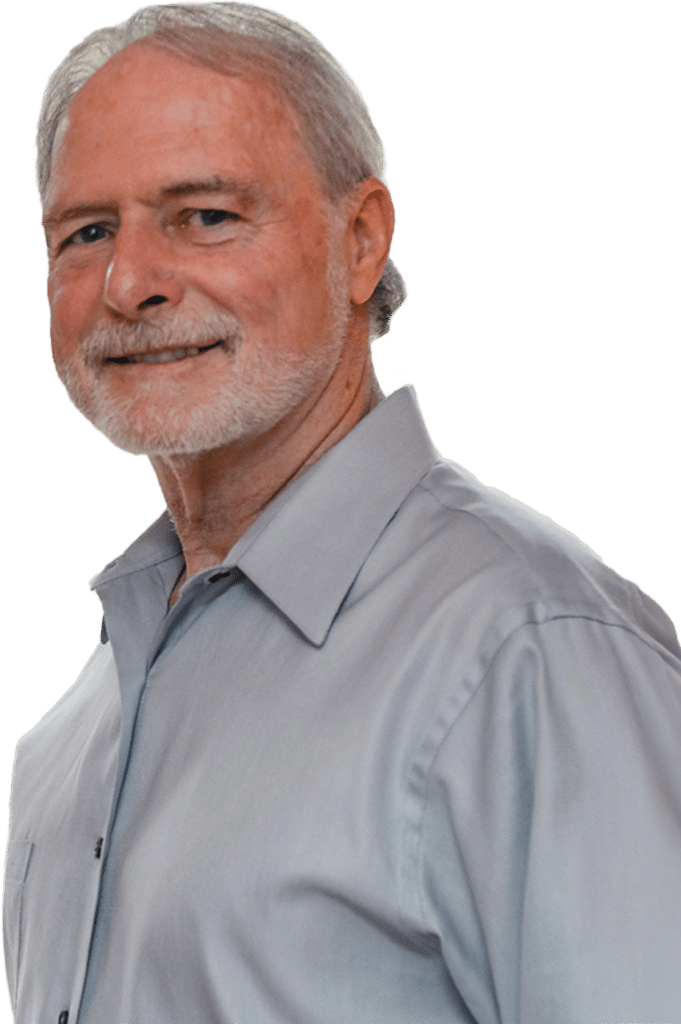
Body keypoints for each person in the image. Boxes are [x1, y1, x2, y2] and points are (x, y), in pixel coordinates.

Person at [2, 3, 680, 1023]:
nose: (129, 281)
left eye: (205, 216)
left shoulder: (531, 651)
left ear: (360, 242)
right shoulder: (69, 731)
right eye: (86, 232)